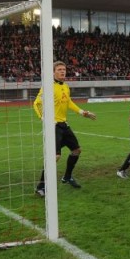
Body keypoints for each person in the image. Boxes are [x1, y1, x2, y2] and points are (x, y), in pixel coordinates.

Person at [33, 61, 96, 197]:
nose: (63, 72)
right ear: (53, 72)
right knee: (55, 157)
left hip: (63, 125)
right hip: (53, 126)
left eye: (64, 69)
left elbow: (69, 102)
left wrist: (83, 113)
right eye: (60, 69)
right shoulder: (47, 87)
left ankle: (67, 177)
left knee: (76, 150)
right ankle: (41, 186)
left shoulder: (66, 87)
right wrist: (44, 120)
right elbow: (36, 104)